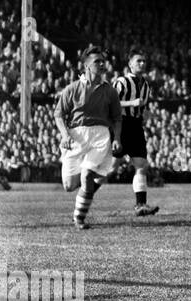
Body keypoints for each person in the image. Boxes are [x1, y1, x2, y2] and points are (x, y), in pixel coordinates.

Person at [53, 46, 122, 229]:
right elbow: (59, 115)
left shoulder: (110, 91)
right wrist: (65, 135)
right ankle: (98, 179)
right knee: (69, 185)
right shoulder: (72, 89)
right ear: (86, 66)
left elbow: (117, 118)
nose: (101, 64)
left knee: (87, 174)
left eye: (102, 61)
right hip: (76, 136)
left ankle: (79, 219)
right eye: (96, 62)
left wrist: (117, 139)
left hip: (100, 135)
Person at [112, 49, 160, 216]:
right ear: (130, 64)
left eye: (144, 61)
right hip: (121, 125)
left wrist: (145, 115)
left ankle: (140, 205)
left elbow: (143, 106)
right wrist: (132, 102)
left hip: (136, 127)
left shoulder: (146, 85)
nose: (142, 63)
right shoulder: (121, 82)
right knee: (110, 168)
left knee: (141, 165)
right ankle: (85, 195)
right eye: (138, 61)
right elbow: (111, 104)